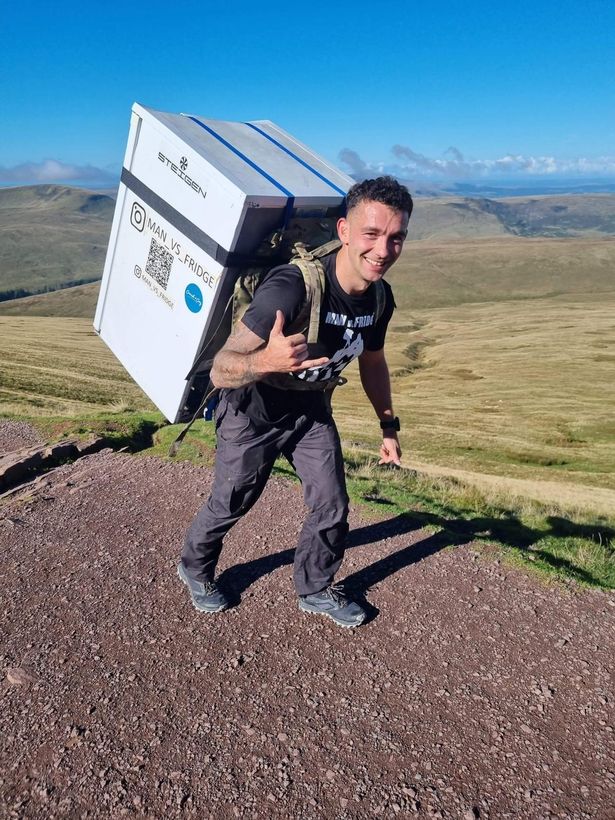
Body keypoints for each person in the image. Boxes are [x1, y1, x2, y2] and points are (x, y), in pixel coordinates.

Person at [178, 176, 413, 627]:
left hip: (309, 408)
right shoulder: (292, 286)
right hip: (253, 409)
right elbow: (222, 368)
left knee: (332, 503)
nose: (383, 250)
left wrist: (389, 427)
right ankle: (194, 568)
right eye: (372, 233)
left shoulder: (380, 297)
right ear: (344, 230)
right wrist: (265, 360)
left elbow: (373, 362)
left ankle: (315, 587)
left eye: (396, 237)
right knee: (232, 501)